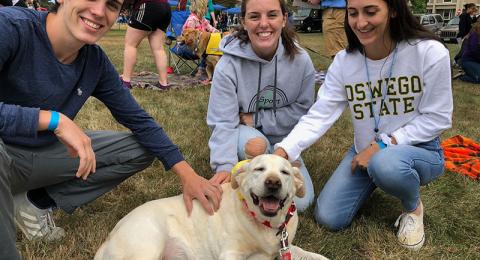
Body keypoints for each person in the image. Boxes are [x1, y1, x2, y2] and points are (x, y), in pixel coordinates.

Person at [0, 1, 222, 259]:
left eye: (111, 4)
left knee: (139, 149)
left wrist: (187, 174)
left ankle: (36, 202)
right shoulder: (11, 27)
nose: (98, 11)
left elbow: (139, 120)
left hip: (36, 157)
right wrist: (51, 120)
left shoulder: (93, 61)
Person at [274, 0, 452, 251]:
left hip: (420, 150)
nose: (360, 22)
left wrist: (383, 145)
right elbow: (319, 116)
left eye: (371, 11)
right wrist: (282, 152)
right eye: (353, 13)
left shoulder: (429, 52)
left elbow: (438, 117)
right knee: (328, 217)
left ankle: (413, 208)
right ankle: (380, 174)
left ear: (392, 9)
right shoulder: (345, 62)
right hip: (364, 151)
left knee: (386, 163)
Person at [207, 0, 316, 211]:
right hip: (246, 136)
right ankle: (252, 167)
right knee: (257, 144)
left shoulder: (301, 61)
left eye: (272, 15)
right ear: (244, 22)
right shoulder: (228, 65)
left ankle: (272, 165)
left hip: (285, 141)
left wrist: (255, 118)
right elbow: (223, 121)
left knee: (302, 203)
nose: (263, 24)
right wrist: (225, 168)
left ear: (284, 19)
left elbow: (304, 112)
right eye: (255, 16)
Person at [121, 0, 172, 90]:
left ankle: (125, 81)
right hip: (166, 7)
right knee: (158, 48)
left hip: (148, 5)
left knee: (130, 44)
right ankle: (163, 83)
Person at [180, 0, 218, 81]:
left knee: (210, 47)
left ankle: (209, 70)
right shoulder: (192, 20)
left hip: (197, 47)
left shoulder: (202, 19)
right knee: (207, 50)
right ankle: (201, 70)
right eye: (206, 7)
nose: (207, 9)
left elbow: (210, 27)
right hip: (185, 46)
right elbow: (189, 40)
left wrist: (217, 32)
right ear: (201, 8)